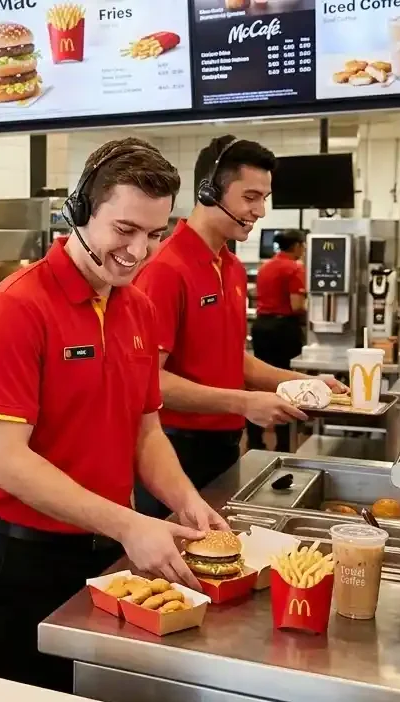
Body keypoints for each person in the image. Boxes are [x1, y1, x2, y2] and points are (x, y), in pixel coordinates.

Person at [0, 138, 228, 693]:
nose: (139, 251)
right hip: (25, 561)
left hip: (109, 554)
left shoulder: (137, 306)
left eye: (155, 234)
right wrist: (131, 523)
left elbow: (145, 429)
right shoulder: (17, 307)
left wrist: (185, 500)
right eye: (124, 230)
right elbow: (8, 461)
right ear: (81, 211)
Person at [133, 136, 345, 517]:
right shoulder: (165, 269)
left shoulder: (228, 265)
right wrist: (244, 403)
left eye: (264, 198)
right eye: (250, 197)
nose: (261, 210)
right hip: (174, 450)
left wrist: (296, 382)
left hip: (225, 443)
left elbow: (232, 360)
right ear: (209, 192)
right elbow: (149, 381)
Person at [248, 230, 308, 451]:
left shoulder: (266, 266)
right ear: (296, 246)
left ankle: (255, 440)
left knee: (258, 382)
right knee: (286, 386)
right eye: (302, 245)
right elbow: (297, 305)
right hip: (283, 329)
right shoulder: (294, 268)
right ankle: (284, 443)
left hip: (262, 327)